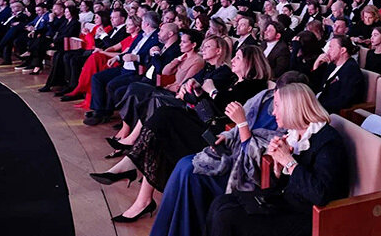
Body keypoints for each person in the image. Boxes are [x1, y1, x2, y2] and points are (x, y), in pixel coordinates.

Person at [91, 41, 268, 222]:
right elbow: (212, 108)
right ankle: (141, 197)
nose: (234, 60)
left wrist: (212, 91)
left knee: (164, 117)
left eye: (238, 58)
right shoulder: (233, 79)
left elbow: (230, 109)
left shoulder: (254, 85)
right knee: (161, 121)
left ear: (250, 62)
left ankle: (133, 170)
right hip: (207, 125)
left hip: (219, 140)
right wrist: (201, 93)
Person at [148, 72, 307, 236]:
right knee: (184, 164)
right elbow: (236, 128)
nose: (274, 107)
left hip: (247, 171)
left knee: (191, 171)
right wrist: (226, 136)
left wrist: (243, 124)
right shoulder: (264, 97)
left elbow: (258, 160)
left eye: (279, 102)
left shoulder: (292, 122)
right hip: (234, 151)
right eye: (275, 96)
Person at [206, 83, 348, 236]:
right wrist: (278, 168)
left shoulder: (328, 141)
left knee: (226, 217)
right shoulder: (294, 135)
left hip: (308, 217)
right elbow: (283, 185)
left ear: (292, 108)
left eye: (277, 106)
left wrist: (288, 161)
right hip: (285, 203)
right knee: (220, 203)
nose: (273, 113)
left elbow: (320, 195)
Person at [311, 35, 365, 113]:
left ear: (342, 50)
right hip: (317, 104)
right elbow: (318, 85)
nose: (328, 51)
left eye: (331, 47)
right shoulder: (332, 65)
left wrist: (317, 107)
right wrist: (316, 65)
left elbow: (344, 100)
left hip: (326, 110)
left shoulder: (351, 70)